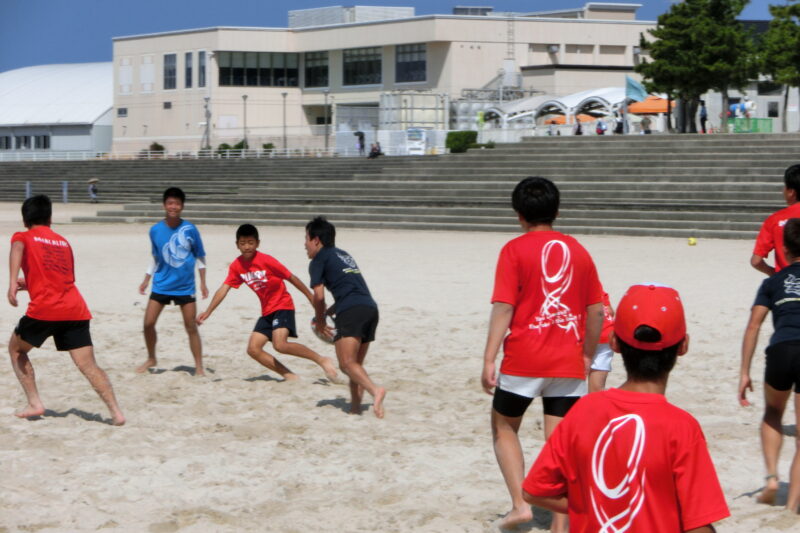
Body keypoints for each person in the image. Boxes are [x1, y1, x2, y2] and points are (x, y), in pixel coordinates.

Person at [524, 284, 730, 532]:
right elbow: (698, 523)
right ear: (683, 346)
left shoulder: (583, 411)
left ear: (614, 342)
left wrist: (588, 505)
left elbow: (534, 491)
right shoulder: (682, 426)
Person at [481, 176, 604, 531]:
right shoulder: (579, 250)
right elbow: (596, 310)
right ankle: (560, 526)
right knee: (562, 446)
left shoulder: (514, 250)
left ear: (519, 215)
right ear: (558, 211)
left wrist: (489, 358)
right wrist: (587, 354)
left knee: (504, 426)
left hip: (524, 358)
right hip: (568, 360)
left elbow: (504, 307)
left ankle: (521, 505)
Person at [6, 195, 125, 425]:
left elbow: (17, 247)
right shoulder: (62, 242)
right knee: (88, 365)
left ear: (25, 220)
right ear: (50, 219)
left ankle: (34, 403)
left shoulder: (23, 236)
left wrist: (12, 282)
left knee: (16, 350)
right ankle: (116, 412)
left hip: (45, 310)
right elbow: (62, 278)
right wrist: (29, 283)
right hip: (75, 309)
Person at [196, 224, 339, 382]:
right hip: (267, 311)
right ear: (237, 245)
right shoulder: (237, 266)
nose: (247, 247)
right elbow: (224, 288)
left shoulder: (266, 260)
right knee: (253, 349)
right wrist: (208, 311)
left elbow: (291, 278)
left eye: (250, 242)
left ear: (258, 243)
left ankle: (322, 360)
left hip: (283, 305)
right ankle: (289, 375)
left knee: (280, 345)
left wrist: (311, 298)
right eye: (242, 243)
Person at [740, 217, 800, 512]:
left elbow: (753, 326)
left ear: (785, 250)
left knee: (773, 412)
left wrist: (743, 373)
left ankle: (773, 479)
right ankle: (792, 504)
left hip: (781, 350)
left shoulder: (772, 281)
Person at [304, 216, 386, 418]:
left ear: (316, 240)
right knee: (355, 364)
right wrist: (331, 311)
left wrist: (321, 320)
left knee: (346, 364)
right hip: (369, 309)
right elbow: (350, 288)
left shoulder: (318, 260)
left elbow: (319, 295)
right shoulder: (343, 254)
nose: (304, 245)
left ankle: (376, 391)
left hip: (351, 311)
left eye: (306, 239)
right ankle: (356, 408)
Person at [137, 187, 208, 376]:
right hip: (161, 284)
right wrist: (146, 280)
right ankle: (151, 357)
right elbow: (156, 257)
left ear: (182, 206)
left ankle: (199, 366)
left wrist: (203, 282)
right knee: (148, 323)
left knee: (190, 326)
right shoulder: (155, 230)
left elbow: (200, 256)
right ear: (164, 205)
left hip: (185, 287)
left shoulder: (190, 229)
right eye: (170, 203)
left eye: (177, 203)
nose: (173, 207)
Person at [752, 164, 800, 276]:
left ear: (791, 192)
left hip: (786, 285)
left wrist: (775, 275)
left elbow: (756, 261)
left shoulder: (775, 219)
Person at [588, 291, 615, 393]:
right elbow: (611, 312)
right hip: (607, 332)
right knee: (597, 388)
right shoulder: (598, 287)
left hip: (586, 333)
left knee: (570, 384)